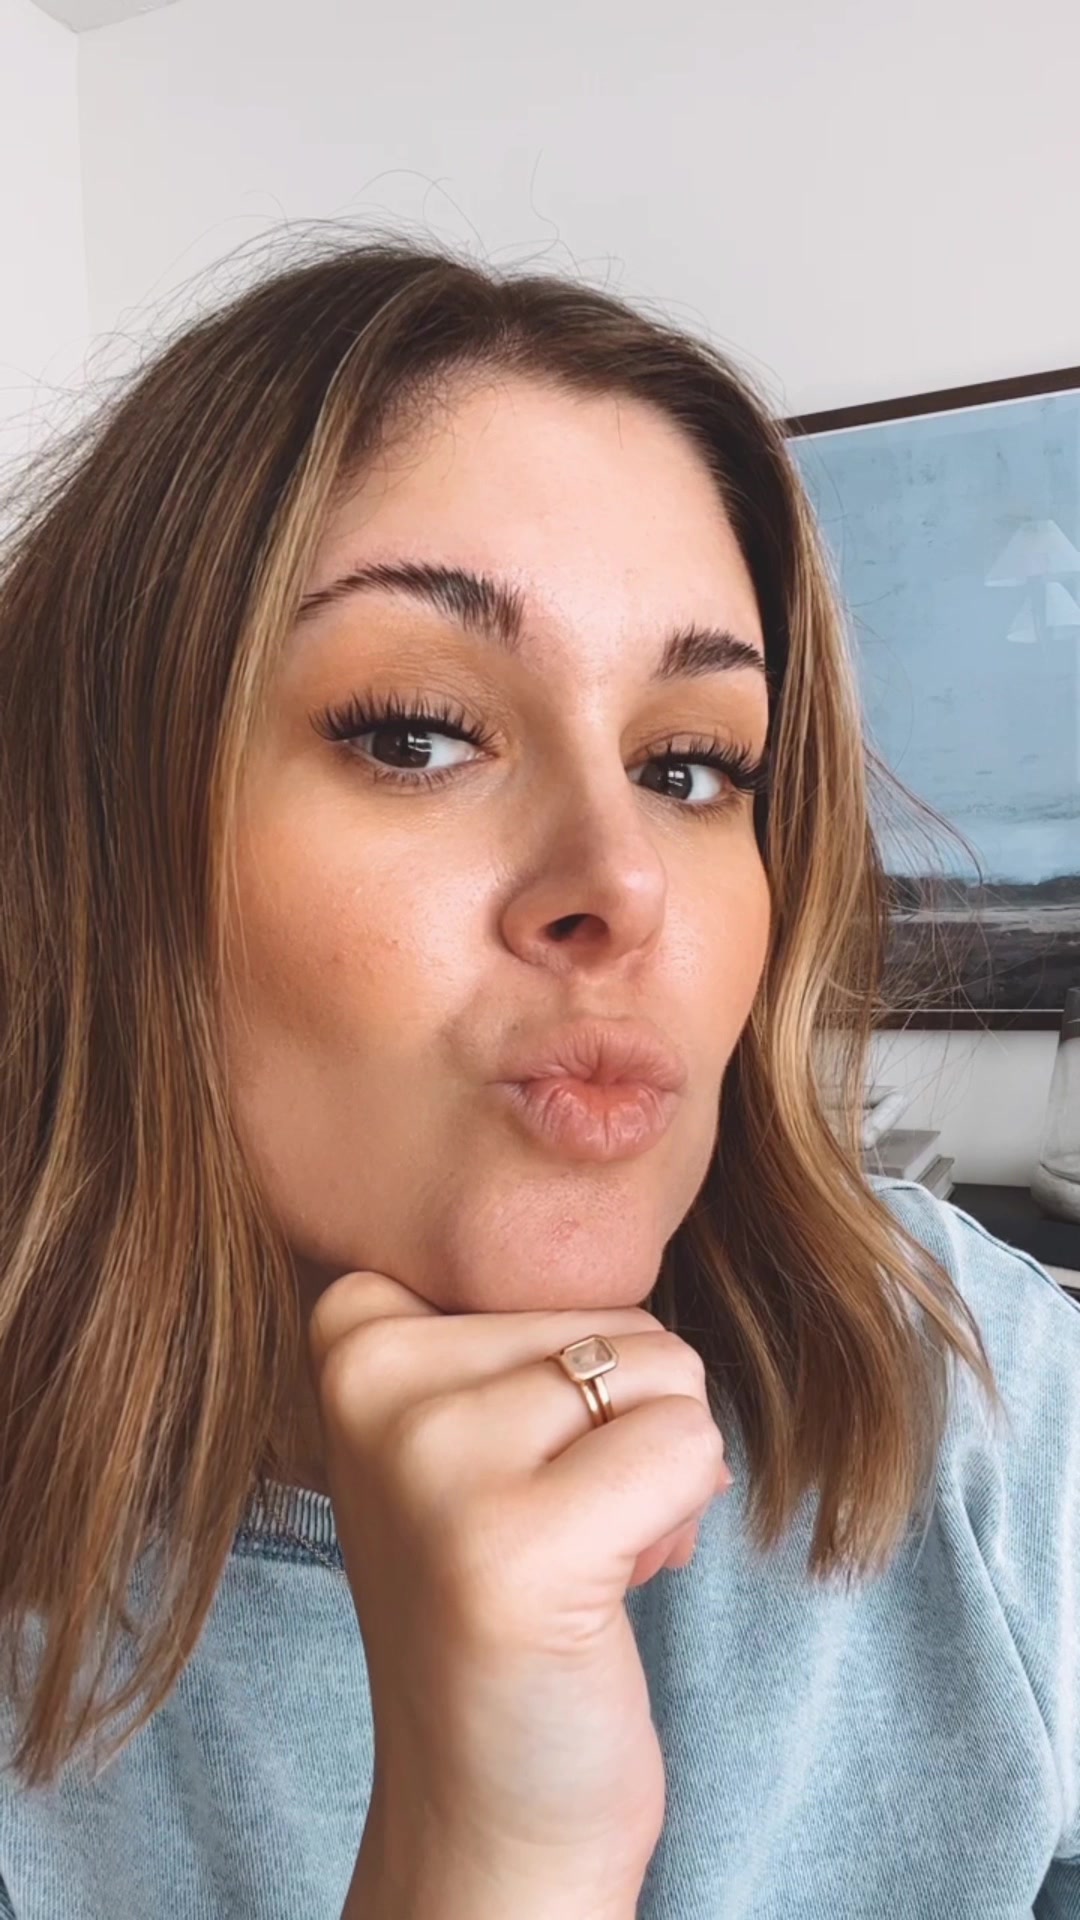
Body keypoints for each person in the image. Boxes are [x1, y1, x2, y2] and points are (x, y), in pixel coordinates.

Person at [0, 235, 1077, 1920]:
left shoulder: (955, 1370)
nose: (621, 881)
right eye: (415, 733)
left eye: (692, 766)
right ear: (98, 841)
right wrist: (489, 1864)